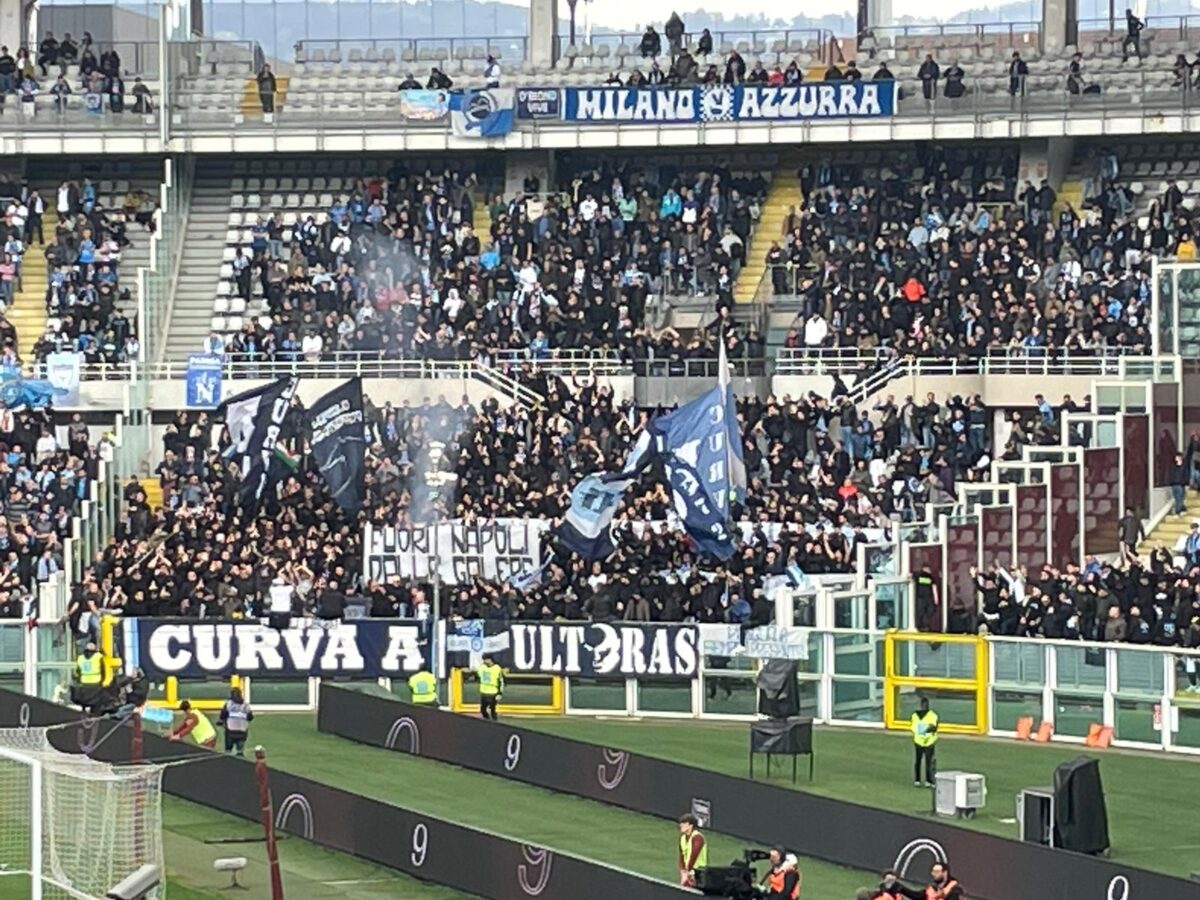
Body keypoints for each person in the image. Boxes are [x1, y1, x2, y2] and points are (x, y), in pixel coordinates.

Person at [880, 862, 964, 899]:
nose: (933, 874)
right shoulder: (932, 888)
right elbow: (917, 896)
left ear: (945, 873)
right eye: (933, 871)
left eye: (936, 872)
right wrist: (898, 886)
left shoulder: (955, 890)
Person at [911, 696, 939, 786]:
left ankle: (928, 780)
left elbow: (934, 727)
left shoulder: (932, 715)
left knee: (928, 762)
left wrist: (924, 730)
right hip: (921, 741)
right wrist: (927, 729)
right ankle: (918, 780)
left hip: (927, 741)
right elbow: (914, 728)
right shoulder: (915, 716)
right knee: (919, 761)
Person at [218, 686, 253, 756]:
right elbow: (250, 717)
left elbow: (223, 715)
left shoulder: (228, 704)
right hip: (242, 732)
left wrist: (221, 721)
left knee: (228, 751)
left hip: (230, 731)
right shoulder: (245, 705)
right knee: (240, 751)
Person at [676, 813, 707, 888]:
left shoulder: (698, 838)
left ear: (691, 825)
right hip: (688, 873)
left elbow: (694, 855)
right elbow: (681, 856)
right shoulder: (682, 838)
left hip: (698, 873)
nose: (681, 825)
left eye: (684, 823)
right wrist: (683, 872)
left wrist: (688, 872)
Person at [476, 652, 504, 719]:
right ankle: (487, 721)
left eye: (486, 659)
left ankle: (494, 722)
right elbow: (477, 676)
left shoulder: (497, 668)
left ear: (490, 659)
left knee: (492, 710)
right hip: (484, 692)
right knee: (483, 710)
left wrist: (500, 693)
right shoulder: (481, 667)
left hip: (493, 693)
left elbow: (501, 681)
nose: (484, 661)